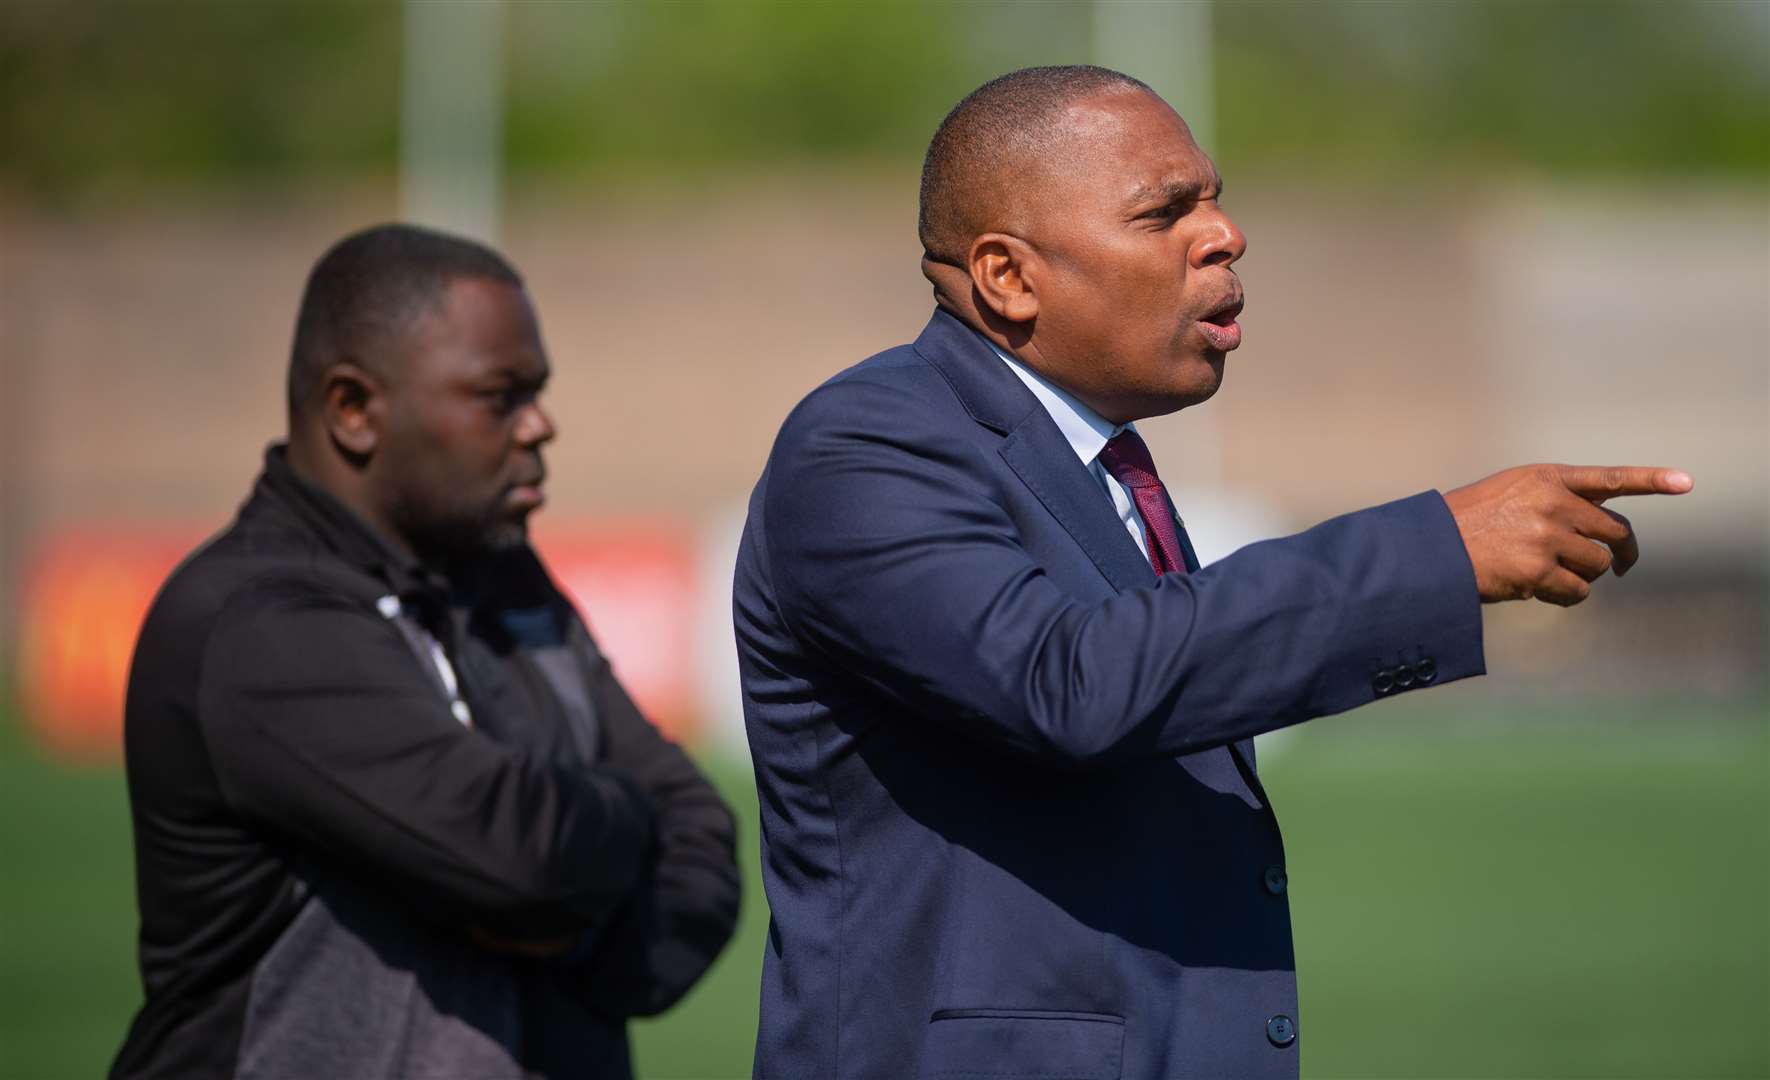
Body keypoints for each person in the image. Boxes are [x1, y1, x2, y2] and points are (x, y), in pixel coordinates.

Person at [733, 65, 1691, 1079]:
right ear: (1008, 277)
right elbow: (1068, 682)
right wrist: (1434, 552)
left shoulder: (1102, 463)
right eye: (1165, 213)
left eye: (1216, 197)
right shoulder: (864, 442)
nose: (1224, 234)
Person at [112, 224, 740, 1080]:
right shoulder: (257, 621)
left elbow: (700, 836)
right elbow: (517, 854)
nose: (540, 426)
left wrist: (577, 943)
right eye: (499, 396)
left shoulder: (509, 582)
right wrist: (624, 829)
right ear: (354, 410)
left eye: (538, 391)